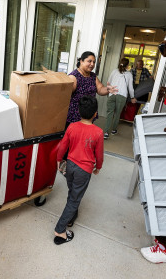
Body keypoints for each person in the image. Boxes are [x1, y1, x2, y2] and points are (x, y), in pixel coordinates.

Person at [54, 95, 104, 244]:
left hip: (70, 165)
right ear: (95, 113)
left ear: (79, 111)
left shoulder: (72, 126)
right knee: (75, 199)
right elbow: (99, 154)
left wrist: (58, 160)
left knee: (72, 192)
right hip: (84, 170)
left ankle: (70, 218)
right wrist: (98, 167)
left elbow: (63, 146)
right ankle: (60, 229)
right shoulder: (98, 132)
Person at [104, 58, 136, 138]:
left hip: (112, 94)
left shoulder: (114, 71)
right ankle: (113, 130)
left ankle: (106, 133)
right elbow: (130, 88)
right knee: (117, 113)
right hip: (122, 96)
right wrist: (132, 97)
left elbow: (109, 82)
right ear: (127, 65)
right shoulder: (129, 74)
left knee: (109, 113)